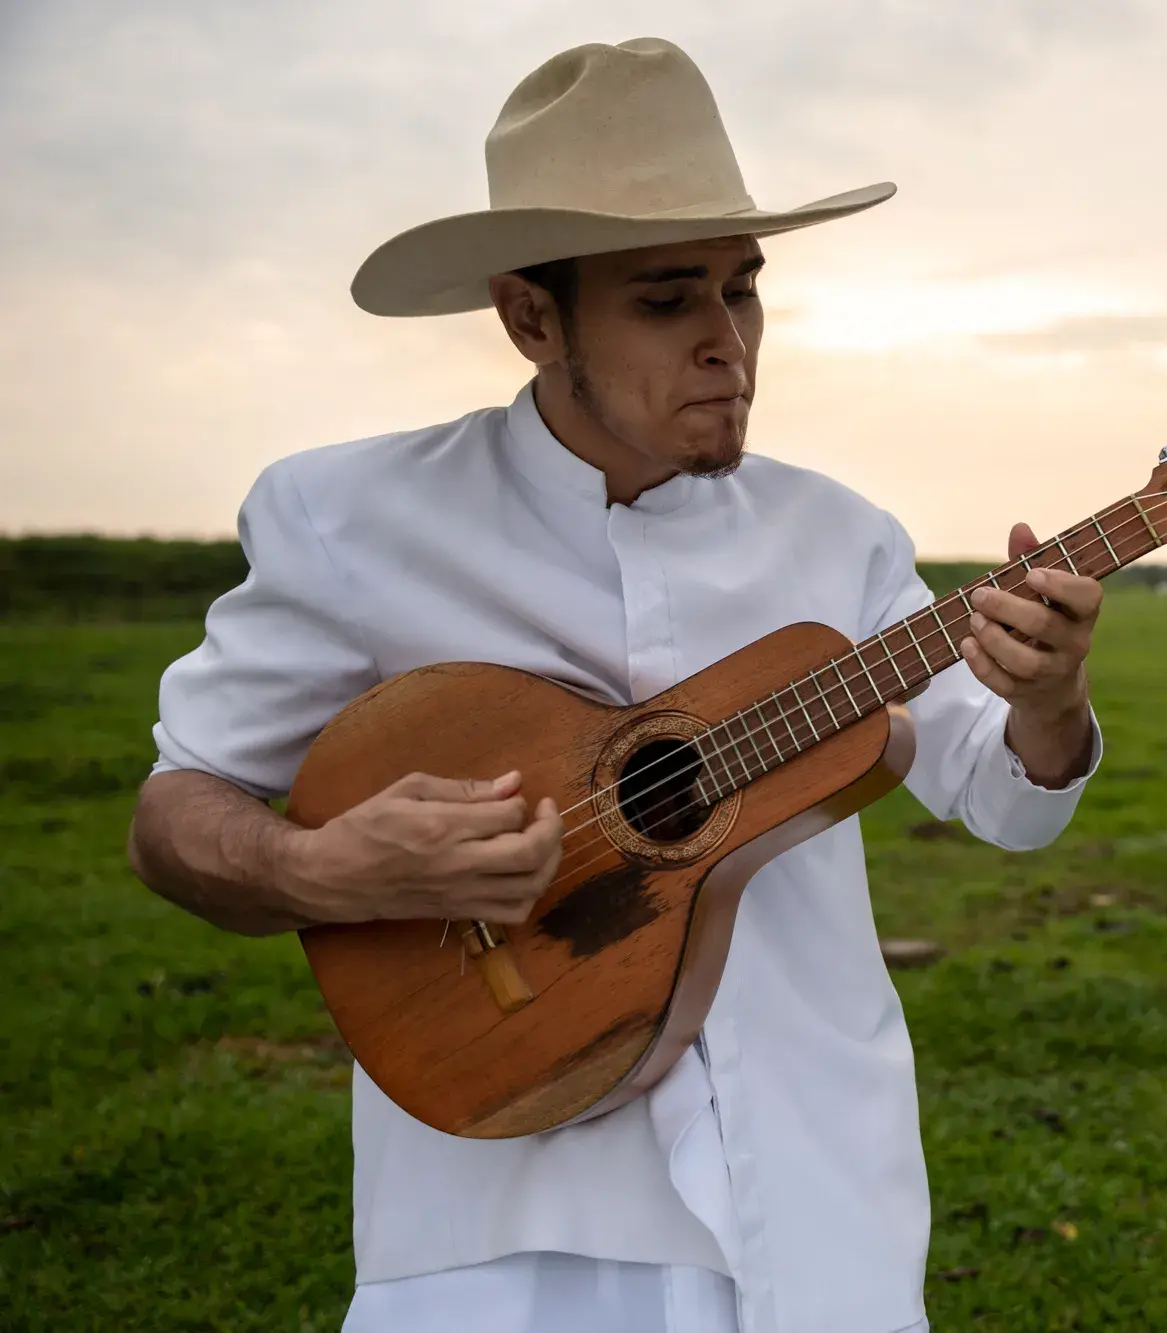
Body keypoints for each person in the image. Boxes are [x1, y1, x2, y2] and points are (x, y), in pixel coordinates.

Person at [124, 39, 1103, 1333]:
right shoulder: (350, 517)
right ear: (533, 317)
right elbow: (175, 809)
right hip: (504, 1217)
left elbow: (1004, 792)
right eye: (665, 300)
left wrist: (1046, 699)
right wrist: (326, 872)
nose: (726, 342)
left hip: (809, 1198)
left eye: (743, 290)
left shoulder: (841, 537)